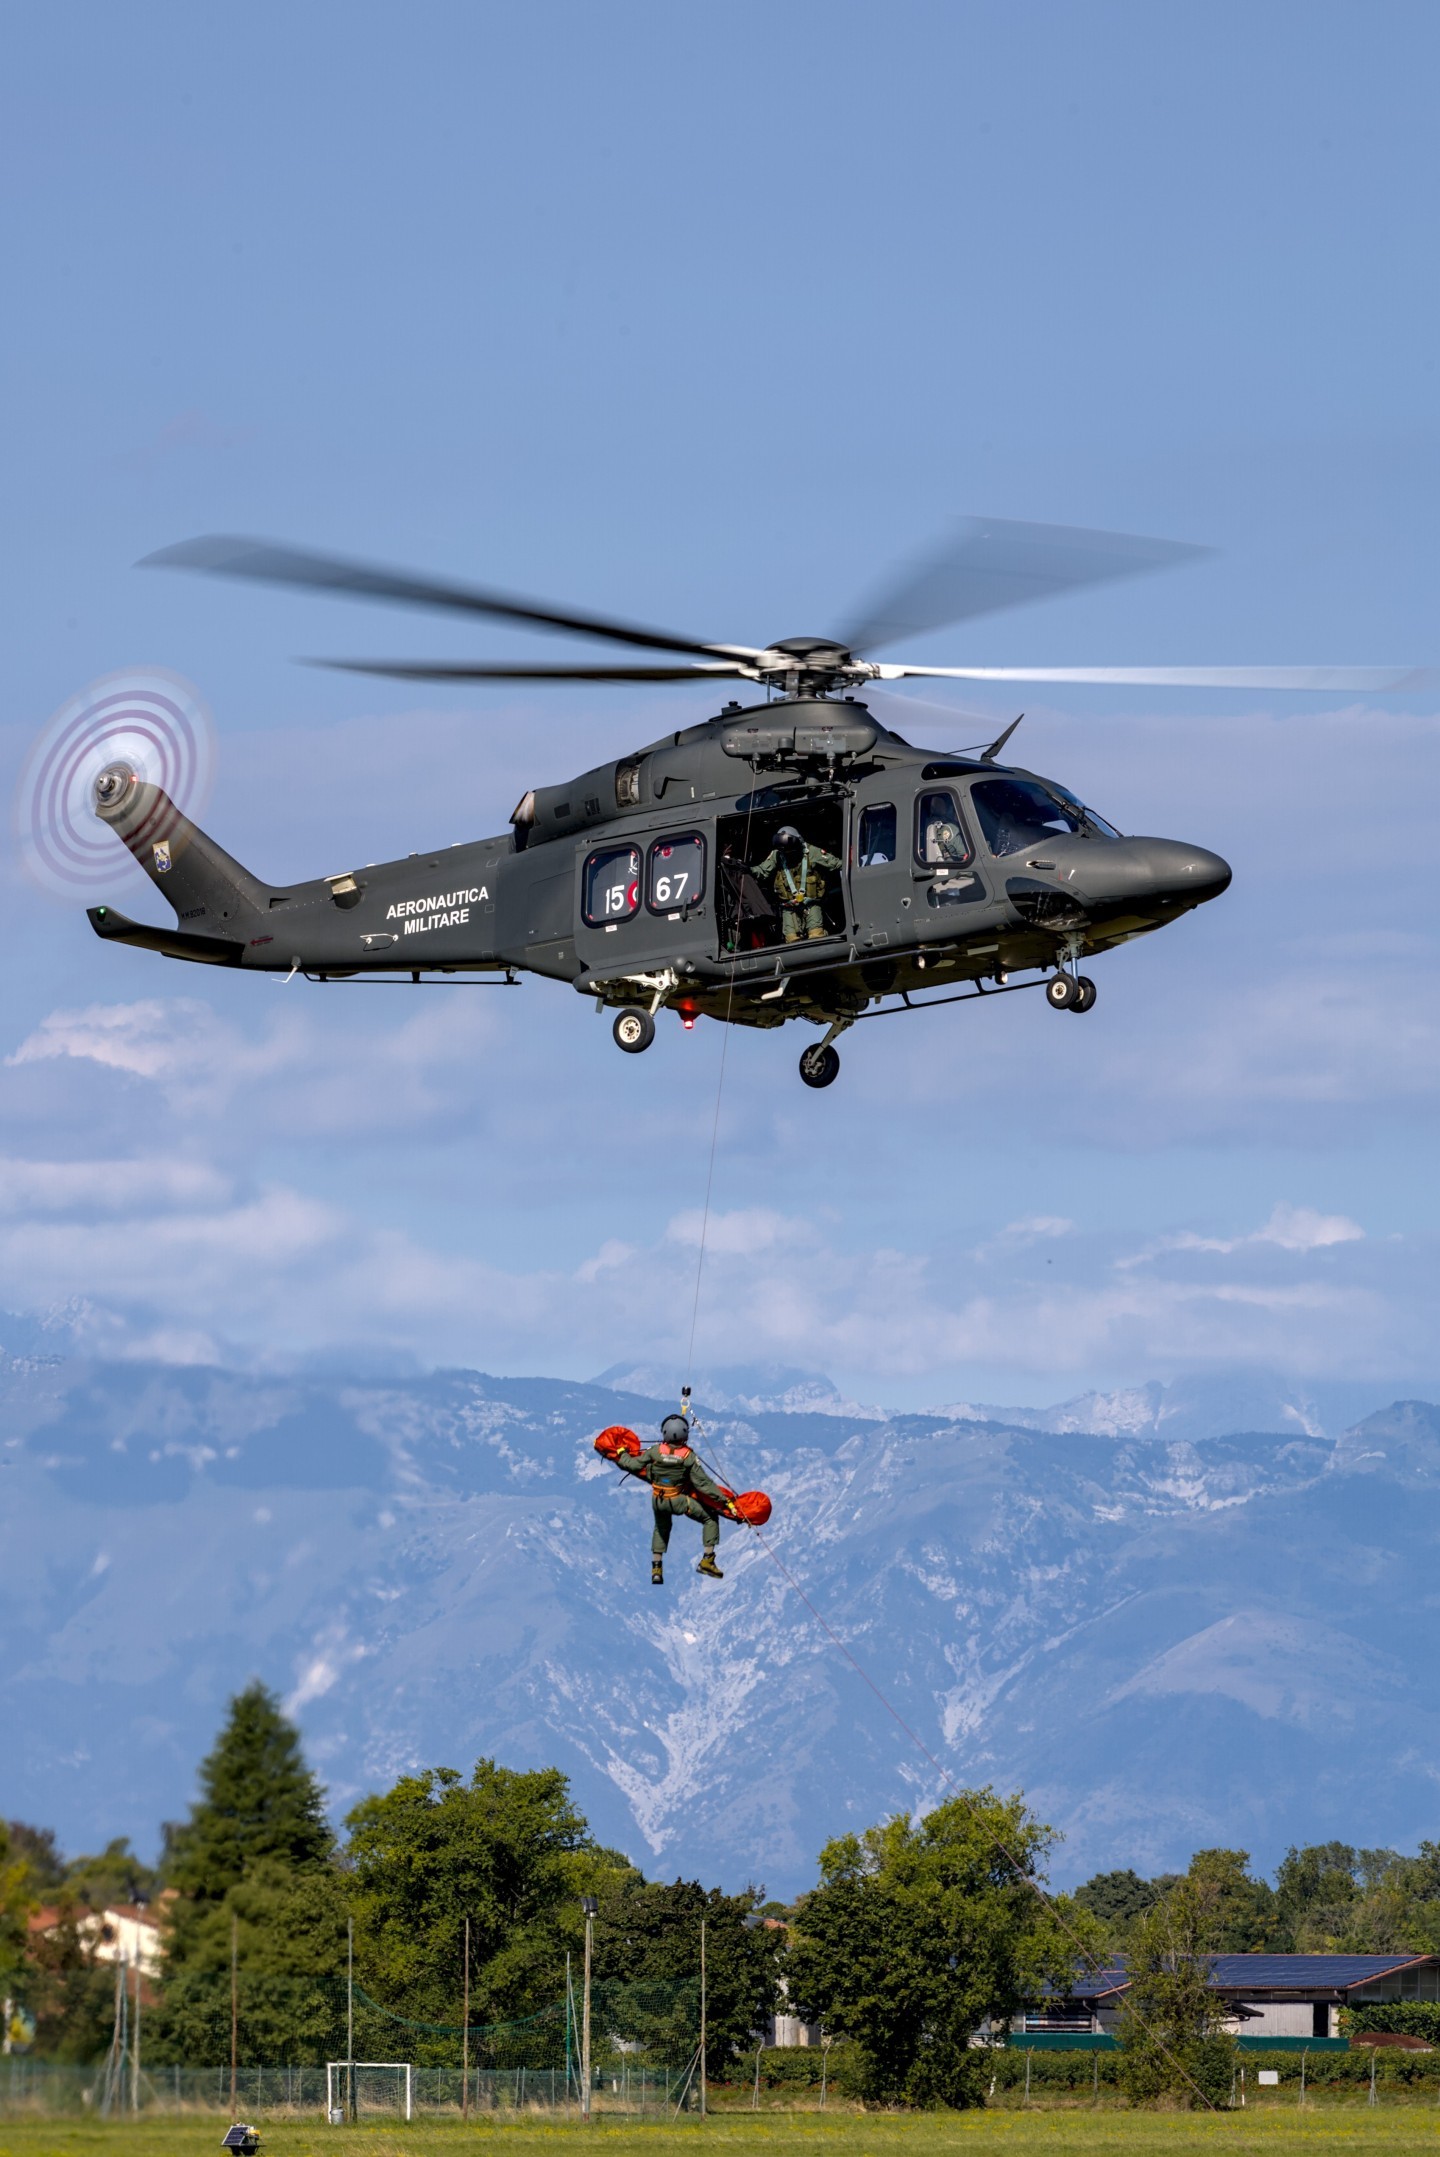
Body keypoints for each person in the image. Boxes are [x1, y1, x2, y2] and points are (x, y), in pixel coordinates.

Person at [613, 1413, 737, 1583]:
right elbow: (703, 1484)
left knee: (661, 1529)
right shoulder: (688, 1457)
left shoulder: (655, 1452)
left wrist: (623, 1453)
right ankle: (708, 1560)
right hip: (677, 1500)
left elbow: (632, 1465)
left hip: (658, 1500)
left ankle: (656, 1570)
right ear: (684, 1434)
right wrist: (725, 1500)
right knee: (710, 1518)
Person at [750, 826, 841, 942]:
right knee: (791, 939)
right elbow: (763, 870)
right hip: (789, 907)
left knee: (816, 936)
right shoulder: (777, 855)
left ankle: (825, 934)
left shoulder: (811, 852)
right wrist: (749, 870)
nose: (788, 854)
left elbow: (834, 863)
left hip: (810, 904)